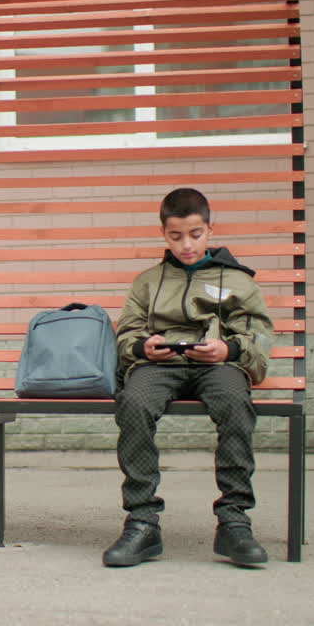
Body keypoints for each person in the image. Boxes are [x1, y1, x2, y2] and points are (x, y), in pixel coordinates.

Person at [102, 187, 275, 568]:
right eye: (175, 236)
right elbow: (127, 334)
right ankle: (142, 521)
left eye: (195, 234)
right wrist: (143, 348)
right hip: (159, 366)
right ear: (163, 233)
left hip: (217, 366)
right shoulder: (147, 281)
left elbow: (258, 335)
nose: (186, 245)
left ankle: (234, 521)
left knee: (234, 403)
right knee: (133, 403)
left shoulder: (238, 281)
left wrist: (228, 350)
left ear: (210, 230)